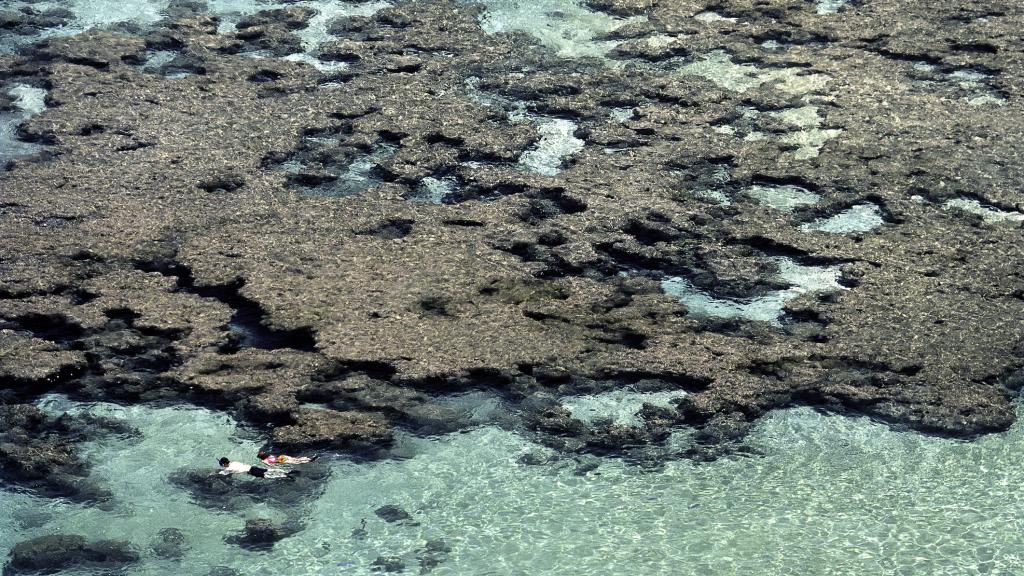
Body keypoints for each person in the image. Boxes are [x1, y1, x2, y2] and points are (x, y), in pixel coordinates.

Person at [217, 457, 293, 479]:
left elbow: (223, 473)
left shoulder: (228, 468)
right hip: (253, 467)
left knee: (269, 476)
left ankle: (286, 476)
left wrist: (215, 473)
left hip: (252, 472)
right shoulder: (234, 462)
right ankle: (288, 471)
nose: (223, 466)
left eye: (222, 465)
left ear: (224, 464)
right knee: (269, 470)